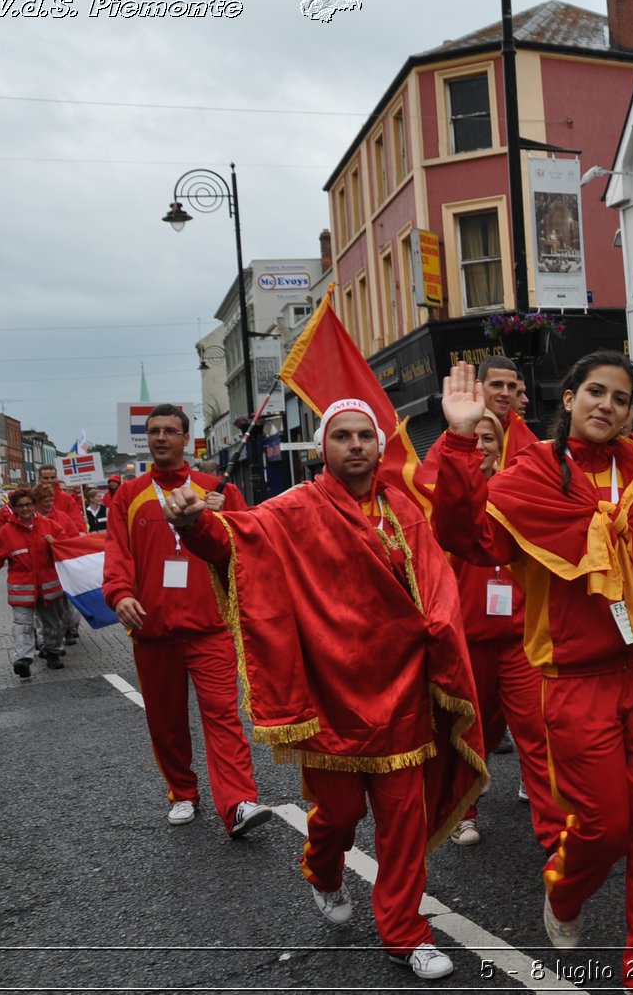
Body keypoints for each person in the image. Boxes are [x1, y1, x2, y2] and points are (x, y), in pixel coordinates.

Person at [163, 398, 487, 982]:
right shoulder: (293, 510)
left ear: (379, 447)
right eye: (343, 436)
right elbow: (235, 542)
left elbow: (437, 585)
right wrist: (193, 522)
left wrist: (441, 646)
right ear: (322, 448)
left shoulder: (405, 512)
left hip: (403, 697)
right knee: (336, 817)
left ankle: (405, 932)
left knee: (403, 827)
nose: (357, 444)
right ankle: (324, 870)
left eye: (366, 435)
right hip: (333, 701)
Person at [432, 353, 633, 994]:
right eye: (595, 391)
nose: (607, 406)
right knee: (603, 824)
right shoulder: (531, 471)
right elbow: (466, 536)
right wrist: (457, 441)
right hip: (576, 677)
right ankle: (563, 893)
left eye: (621, 399)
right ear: (567, 398)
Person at [102, 404, 271, 838]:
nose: (160, 438)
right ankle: (182, 791)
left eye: (169, 431)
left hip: (210, 625)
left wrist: (224, 514)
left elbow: (248, 544)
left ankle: (238, 803)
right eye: (153, 431)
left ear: (185, 439)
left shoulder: (217, 488)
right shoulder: (129, 494)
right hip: (152, 629)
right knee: (166, 719)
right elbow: (117, 554)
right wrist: (119, 595)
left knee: (223, 716)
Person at [437, 411, 565, 853]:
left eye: (488, 438)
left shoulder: (517, 490)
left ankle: (554, 830)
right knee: (471, 733)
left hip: (519, 640)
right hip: (468, 643)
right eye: (473, 438)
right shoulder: (445, 498)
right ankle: (462, 813)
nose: (481, 446)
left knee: (536, 728)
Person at [0, 488, 71, 677]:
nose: (25, 509)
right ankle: (23, 659)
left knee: (53, 624)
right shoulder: (5, 533)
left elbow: (68, 549)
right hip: (21, 590)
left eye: (28, 504)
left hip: (49, 588)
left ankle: (52, 653)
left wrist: (56, 543)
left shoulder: (50, 526)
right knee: (22, 625)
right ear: (13, 508)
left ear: (34, 505)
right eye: (21, 506)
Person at [36, 465, 89, 644]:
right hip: (40, 559)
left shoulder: (66, 500)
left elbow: (75, 522)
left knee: (66, 596)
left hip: (61, 553)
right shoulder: (33, 498)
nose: (50, 481)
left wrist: (77, 546)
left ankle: (69, 626)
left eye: (53, 477)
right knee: (42, 600)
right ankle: (47, 635)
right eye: (46, 478)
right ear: (40, 479)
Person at [479, 355, 539, 466]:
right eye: (497, 385)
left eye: (511, 386)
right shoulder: (460, 432)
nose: (505, 393)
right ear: (478, 387)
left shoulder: (529, 442)